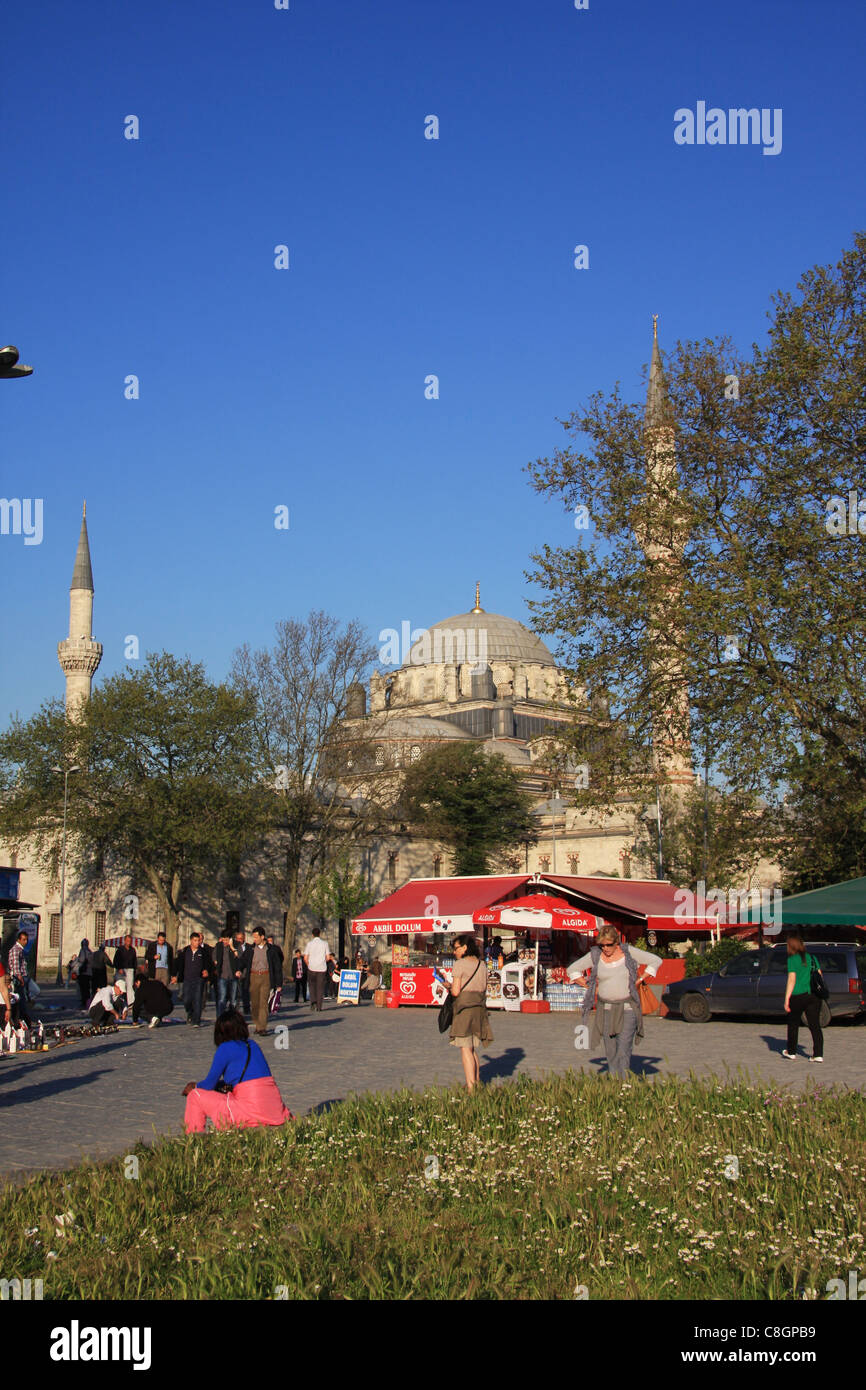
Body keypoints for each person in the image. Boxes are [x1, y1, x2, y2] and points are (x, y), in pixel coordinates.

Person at [568, 926, 661, 1079]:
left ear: (616, 942)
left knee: (623, 1048)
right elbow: (572, 969)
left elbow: (655, 960)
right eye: (602, 945)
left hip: (627, 1008)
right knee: (610, 1050)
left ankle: (624, 1083)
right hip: (605, 1009)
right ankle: (613, 1084)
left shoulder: (628, 952)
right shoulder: (596, 955)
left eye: (609, 945)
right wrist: (589, 986)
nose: (605, 948)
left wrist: (639, 980)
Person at [182, 1009, 293, 1134]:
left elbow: (208, 1085)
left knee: (195, 1096)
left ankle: (193, 1139)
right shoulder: (253, 1045)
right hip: (274, 1109)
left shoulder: (225, 1048)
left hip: (251, 1111)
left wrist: (194, 1086)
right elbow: (248, 1078)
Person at [443, 934, 492, 1092]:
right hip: (479, 1009)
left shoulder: (460, 964)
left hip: (464, 1010)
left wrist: (447, 986)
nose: (454, 952)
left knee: (465, 1048)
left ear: (464, 947)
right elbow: (484, 988)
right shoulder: (482, 965)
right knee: (472, 1047)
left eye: (456, 948)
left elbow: (456, 991)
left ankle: (471, 1087)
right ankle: (476, 1081)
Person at [783, 932, 825, 1063]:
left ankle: (791, 1051)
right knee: (815, 1025)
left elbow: (792, 980)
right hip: (813, 996)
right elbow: (819, 976)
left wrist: (786, 999)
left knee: (793, 1024)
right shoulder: (812, 958)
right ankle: (818, 1054)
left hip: (798, 995)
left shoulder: (792, 959)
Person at [244, 926, 283, 1036]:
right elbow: (243, 961)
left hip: (266, 977)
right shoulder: (250, 949)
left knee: (263, 1003)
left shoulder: (271, 950)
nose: (254, 939)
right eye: (253, 937)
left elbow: (277, 966)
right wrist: (238, 970)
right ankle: (257, 1024)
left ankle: (262, 1027)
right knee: (255, 1003)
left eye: (256, 937)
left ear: (262, 937)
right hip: (254, 976)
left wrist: (278, 983)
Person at [174, 932, 211, 1026]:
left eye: (198, 940)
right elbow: (178, 964)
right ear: (191, 940)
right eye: (195, 940)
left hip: (199, 979)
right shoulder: (185, 951)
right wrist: (174, 975)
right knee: (187, 999)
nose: (197, 942)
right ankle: (190, 1012)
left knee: (198, 999)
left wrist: (206, 970)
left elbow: (208, 963)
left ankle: (196, 1020)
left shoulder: (203, 951)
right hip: (187, 979)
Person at [303, 927, 334, 1013]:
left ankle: (313, 1001)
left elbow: (305, 958)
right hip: (321, 968)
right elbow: (328, 957)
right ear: (319, 934)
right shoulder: (325, 943)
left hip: (312, 967)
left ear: (312, 935)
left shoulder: (309, 944)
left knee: (312, 986)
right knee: (320, 987)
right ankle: (319, 1006)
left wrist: (309, 964)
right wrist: (322, 960)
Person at [214, 928, 243, 1014]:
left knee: (233, 999)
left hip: (233, 976)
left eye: (227, 940)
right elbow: (214, 957)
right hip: (222, 976)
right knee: (222, 998)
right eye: (223, 939)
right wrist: (216, 963)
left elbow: (239, 956)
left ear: (230, 939)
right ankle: (220, 1017)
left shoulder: (236, 945)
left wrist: (232, 947)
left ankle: (233, 1017)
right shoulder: (219, 946)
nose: (225, 942)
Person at [112, 934, 138, 1005]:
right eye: (127, 941)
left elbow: (135, 961)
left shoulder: (133, 950)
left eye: (130, 941)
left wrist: (134, 971)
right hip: (121, 969)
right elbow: (115, 961)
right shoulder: (120, 950)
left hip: (130, 970)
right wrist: (119, 968)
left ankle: (131, 1003)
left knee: (130, 986)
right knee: (120, 986)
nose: (128, 942)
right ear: (124, 941)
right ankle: (118, 1001)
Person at [7, 931, 33, 1000]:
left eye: (27, 939)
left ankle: (27, 1004)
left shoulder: (21, 949)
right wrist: (19, 976)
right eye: (24, 940)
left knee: (24, 995)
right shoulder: (16, 949)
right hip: (20, 976)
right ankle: (23, 1009)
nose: (26, 942)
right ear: (18, 940)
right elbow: (15, 963)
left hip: (24, 975)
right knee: (22, 996)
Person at [233, 929, 251, 1015]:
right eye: (238, 938)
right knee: (236, 991)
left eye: (241, 938)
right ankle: (236, 1008)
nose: (239, 940)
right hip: (237, 972)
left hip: (246, 972)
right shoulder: (234, 947)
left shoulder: (249, 947)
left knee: (246, 991)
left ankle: (246, 1008)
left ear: (244, 938)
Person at [74, 939, 93, 1009]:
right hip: (89, 973)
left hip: (84, 972)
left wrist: (77, 961)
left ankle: (84, 1002)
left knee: (83, 988)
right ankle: (88, 1002)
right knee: (87, 989)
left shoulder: (83, 951)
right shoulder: (90, 951)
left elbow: (81, 960)